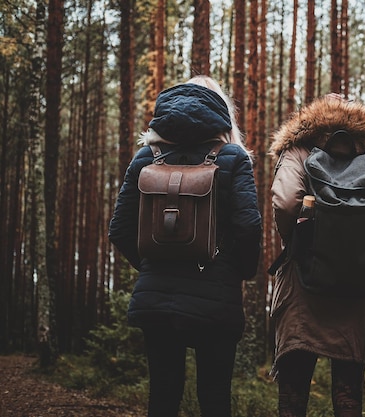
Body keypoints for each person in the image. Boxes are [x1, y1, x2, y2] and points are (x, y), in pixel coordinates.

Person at [108, 75, 262, 417]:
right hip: (217, 299)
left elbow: (119, 230)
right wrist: (237, 271)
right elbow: (249, 226)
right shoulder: (232, 157)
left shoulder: (147, 157)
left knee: (162, 396)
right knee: (215, 397)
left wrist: (153, 263)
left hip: (156, 298)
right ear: (222, 113)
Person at [269, 94, 365, 417]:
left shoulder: (297, 150)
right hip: (357, 293)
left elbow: (286, 203)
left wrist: (297, 239)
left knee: (293, 393)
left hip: (303, 291)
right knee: (348, 396)